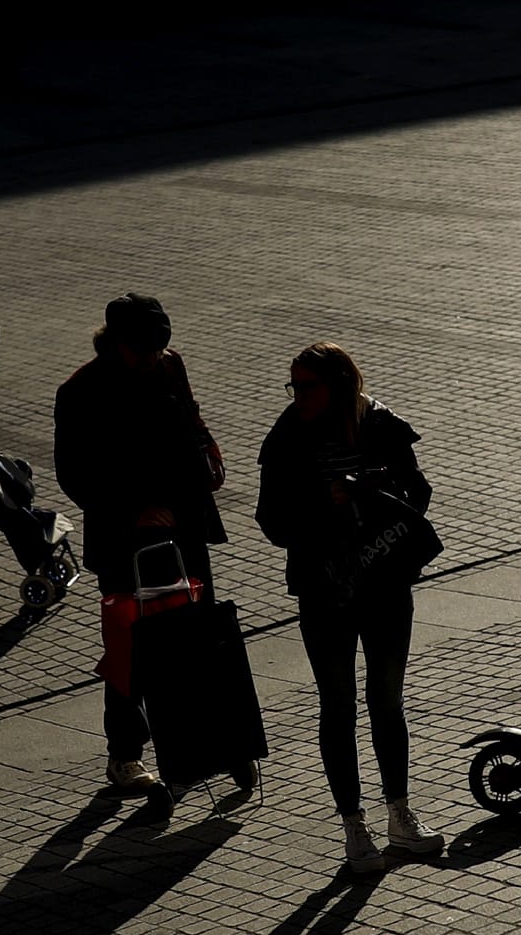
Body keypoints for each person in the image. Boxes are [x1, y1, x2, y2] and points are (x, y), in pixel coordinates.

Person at [255, 343, 448, 875]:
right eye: (292, 385)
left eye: (307, 386)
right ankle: (353, 827)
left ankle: (400, 816)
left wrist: (371, 488)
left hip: (385, 583)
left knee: (387, 701)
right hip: (324, 589)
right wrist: (326, 504)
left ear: (338, 384)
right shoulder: (287, 437)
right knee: (336, 707)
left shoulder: (380, 423)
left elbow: (419, 490)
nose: (297, 396)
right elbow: (271, 520)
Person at [54, 294, 232, 792]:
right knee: (130, 643)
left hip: (183, 523)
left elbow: (190, 418)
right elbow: (75, 475)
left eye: (159, 350)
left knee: (195, 632)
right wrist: (132, 511)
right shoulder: (81, 392)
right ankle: (124, 754)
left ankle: (203, 741)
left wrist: (206, 448)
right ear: (117, 343)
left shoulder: (168, 366)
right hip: (126, 539)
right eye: (144, 351)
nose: (153, 359)